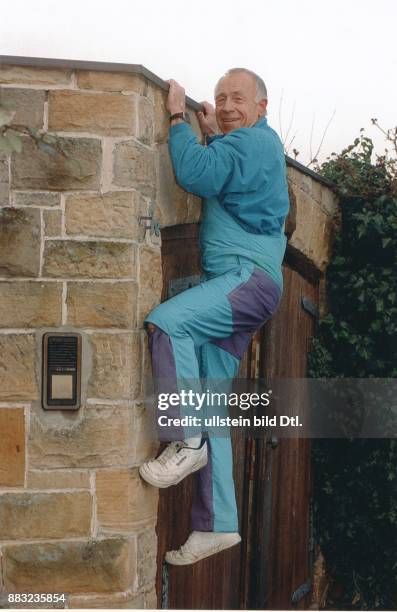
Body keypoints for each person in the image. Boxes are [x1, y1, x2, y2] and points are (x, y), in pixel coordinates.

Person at [139, 68, 289, 565]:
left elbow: (196, 174)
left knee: (168, 322)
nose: (226, 105)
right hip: (250, 285)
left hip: (244, 279)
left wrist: (178, 118)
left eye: (238, 98)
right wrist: (211, 131)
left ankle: (186, 440)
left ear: (262, 107)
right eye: (221, 97)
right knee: (210, 400)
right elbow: (221, 169)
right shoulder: (248, 146)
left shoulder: (251, 144)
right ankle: (219, 523)